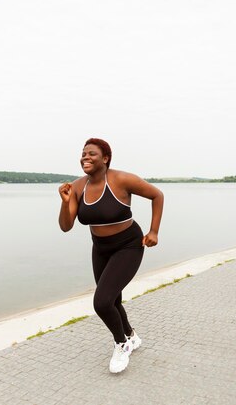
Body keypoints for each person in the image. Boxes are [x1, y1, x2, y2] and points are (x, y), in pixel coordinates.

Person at [58, 138, 164, 373]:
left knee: (102, 302)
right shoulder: (76, 187)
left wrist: (154, 231)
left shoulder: (122, 180)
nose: (85, 157)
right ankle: (131, 336)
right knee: (113, 299)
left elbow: (157, 195)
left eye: (92, 154)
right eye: (83, 153)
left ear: (105, 158)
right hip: (100, 247)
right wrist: (65, 203)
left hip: (128, 245)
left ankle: (121, 344)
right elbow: (66, 226)